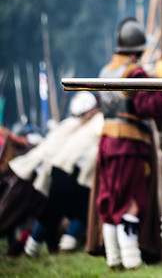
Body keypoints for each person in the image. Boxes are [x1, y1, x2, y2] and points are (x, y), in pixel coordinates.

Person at [90, 17, 162, 270]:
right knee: (132, 201)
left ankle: (114, 258)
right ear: (137, 51)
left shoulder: (106, 71)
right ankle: (130, 259)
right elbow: (150, 106)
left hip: (108, 141)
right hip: (129, 145)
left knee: (111, 201)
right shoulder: (134, 72)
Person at [1, 91, 103, 257]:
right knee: (59, 211)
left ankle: (44, 247)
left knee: (59, 211)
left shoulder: (77, 124)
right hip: (56, 174)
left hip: (55, 173)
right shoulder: (90, 124)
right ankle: (41, 247)